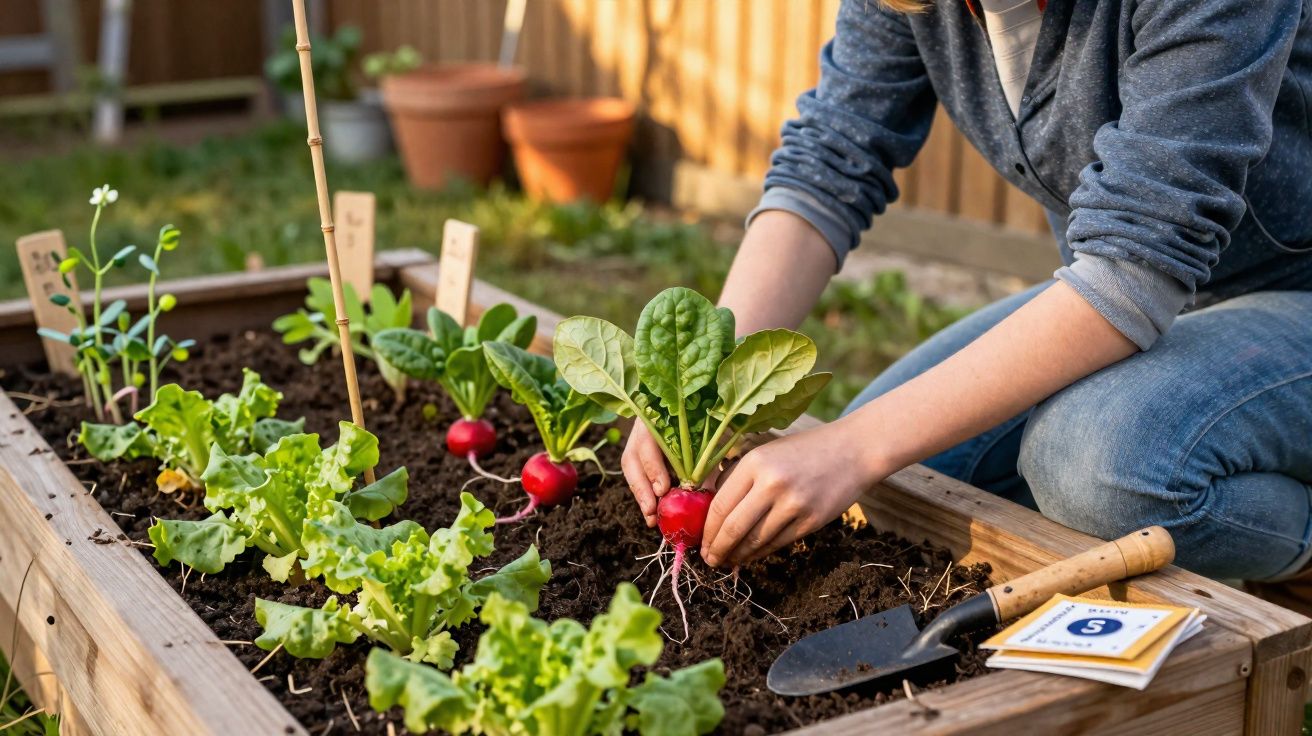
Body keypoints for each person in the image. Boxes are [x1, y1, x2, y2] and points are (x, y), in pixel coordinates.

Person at [621, 0, 1312, 611]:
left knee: (1097, 463)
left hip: (1287, 292)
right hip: (1151, 295)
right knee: (902, 489)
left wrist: (851, 448)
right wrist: (705, 390)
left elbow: (1138, 266)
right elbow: (830, 162)